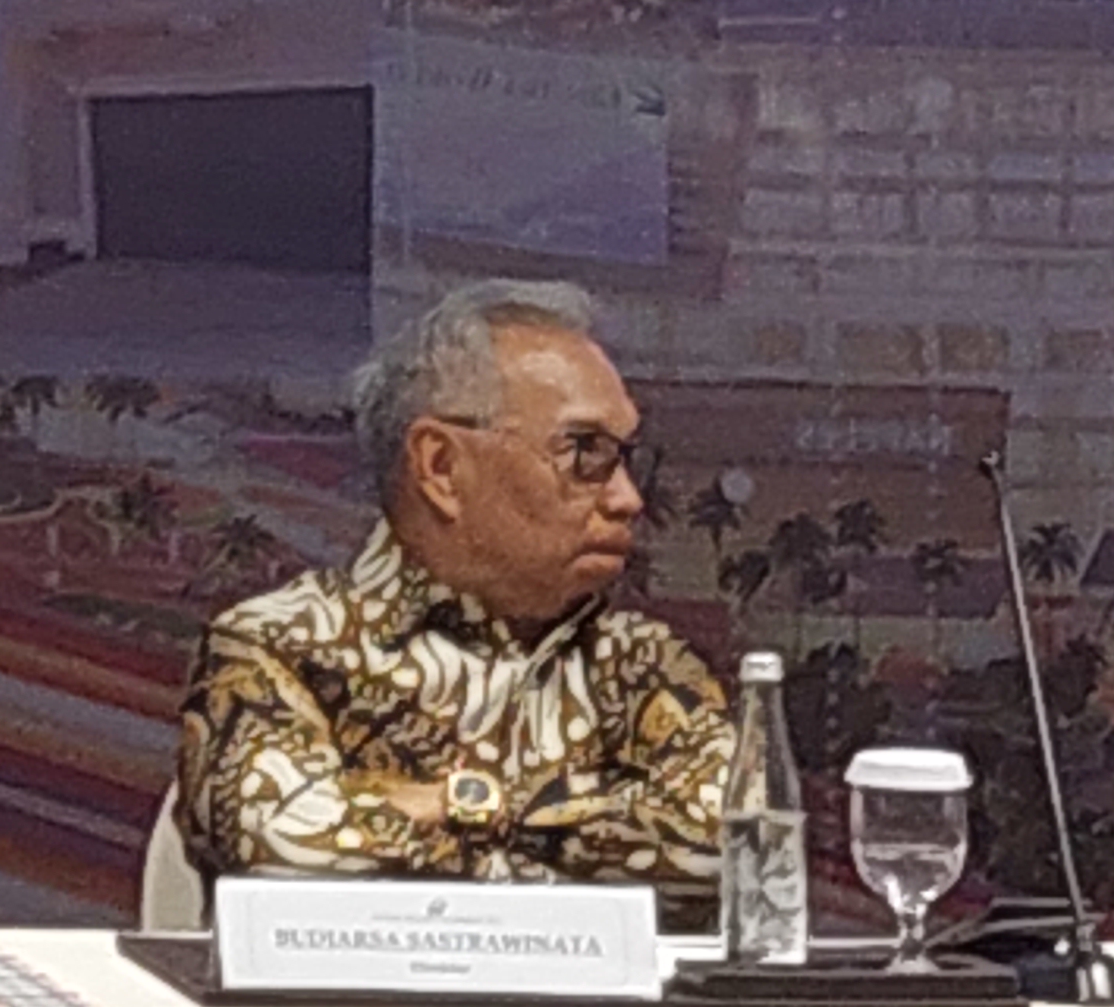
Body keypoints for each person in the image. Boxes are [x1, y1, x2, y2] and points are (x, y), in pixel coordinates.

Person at [174, 276, 733, 884]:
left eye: (626, 457)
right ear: (441, 466)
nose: (627, 498)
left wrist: (461, 804)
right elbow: (279, 847)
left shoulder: (643, 666)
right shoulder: (281, 645)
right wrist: (588, 825)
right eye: (585, 451)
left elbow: (730, 849)